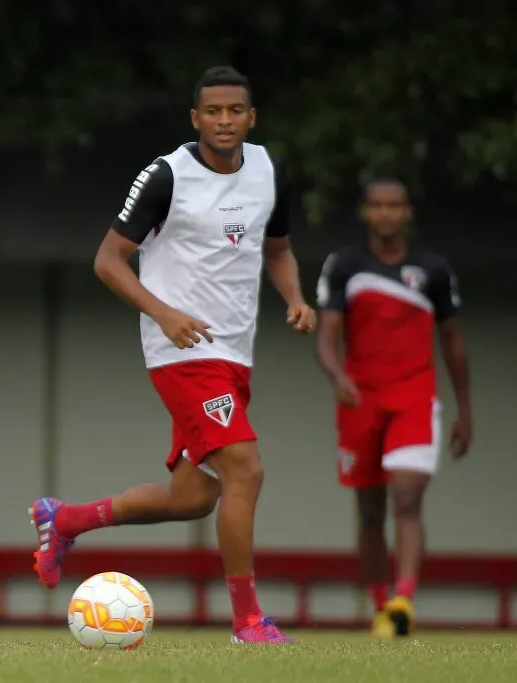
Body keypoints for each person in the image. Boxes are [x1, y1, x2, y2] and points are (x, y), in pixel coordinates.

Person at [28, 66, 315, 644]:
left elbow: (278, 248)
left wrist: (296, 298)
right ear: (196, 119)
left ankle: (66, 520)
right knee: (246, 469)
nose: (225, 121)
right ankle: (248, 622)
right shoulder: (166, 176)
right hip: (182, 353)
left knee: (194, 498)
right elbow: (108, 260)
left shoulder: (268, 171)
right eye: (214, 112)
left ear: (251, 117)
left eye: (236, 111)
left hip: (236, 353)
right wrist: (164, 313)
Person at [315, 179, 471, 638]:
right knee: (368, 509)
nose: (385, 214)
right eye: (377, 206)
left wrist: (465, 409)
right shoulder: (345, 266)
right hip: (361, 397)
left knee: (407, 498)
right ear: (365, 212)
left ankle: (403, 599)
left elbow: (454, 341)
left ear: (407, 213)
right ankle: (381, 603)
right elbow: (326, 336)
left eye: (394, 206)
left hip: (414, 397)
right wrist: (337, 375)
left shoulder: (433, 270)